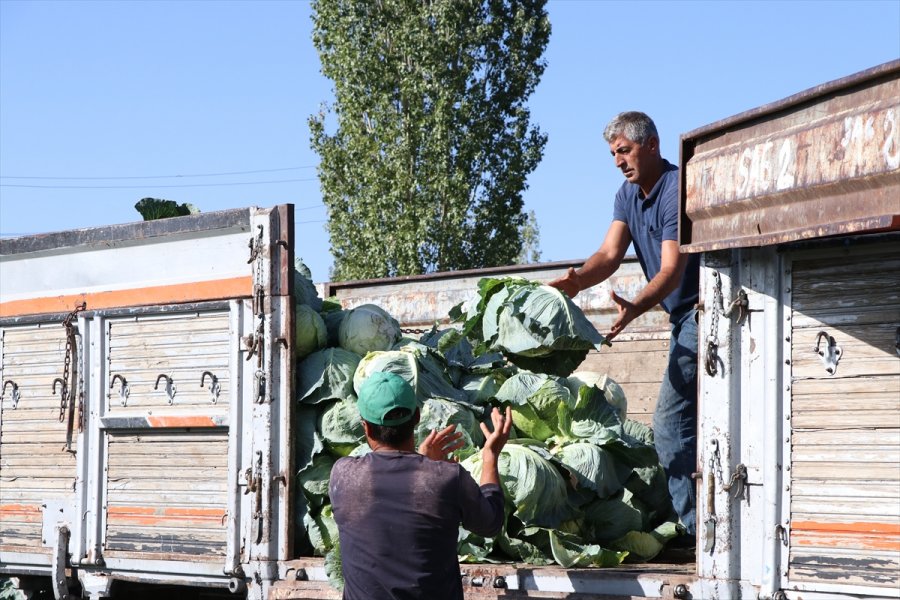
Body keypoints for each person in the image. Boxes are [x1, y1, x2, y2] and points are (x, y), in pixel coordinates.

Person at [549, 111, 700, 542]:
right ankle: (697, 523)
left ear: (652, 144)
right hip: (680, 320)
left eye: (625, 150)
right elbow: (609, 255)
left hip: (701, 314)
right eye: (613, 153)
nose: (618, 161)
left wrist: (636, 306)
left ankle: (692, 533)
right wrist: (576, 281)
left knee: (670, 427)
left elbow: (671, 270)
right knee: (688, 427)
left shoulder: (676, 190)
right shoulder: (626, 195)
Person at [329, 371, 513, 600]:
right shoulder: (447, 478)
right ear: (416, 416)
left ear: (365, 427)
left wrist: (422, 463)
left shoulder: (342, 475)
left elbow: (391, 496)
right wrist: (489, 457)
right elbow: (490, 523)